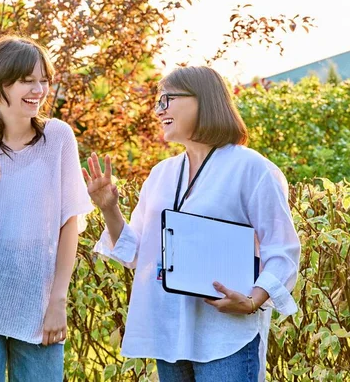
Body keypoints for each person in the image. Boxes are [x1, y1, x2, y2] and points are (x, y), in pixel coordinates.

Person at [84, 66, 300, 382]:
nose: (159, 110)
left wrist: (253, 300)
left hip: (226, 337)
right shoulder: (161, 174)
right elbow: (138, 254)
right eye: (157, 102)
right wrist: (109, 209)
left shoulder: (252, 169)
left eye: (167, 100)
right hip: (169, 334)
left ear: (204, 100)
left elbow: (282, 250)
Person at [0, 35, 93, 381]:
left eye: (44, 80)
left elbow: (70, 222)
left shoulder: (58, 138)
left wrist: (57, 301)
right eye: (28, 80)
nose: (39, 89)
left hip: (39, 307)